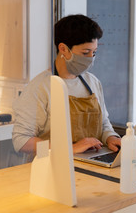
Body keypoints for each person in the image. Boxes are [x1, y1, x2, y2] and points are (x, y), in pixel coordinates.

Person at [12, 14, 121, 161]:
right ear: (63, 49)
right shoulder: (40, 87)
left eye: (94, 52)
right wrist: (69, 149)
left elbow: (103, 123)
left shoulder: (92, 82)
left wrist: (111, 137)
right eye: (85, 52)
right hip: (51, 168)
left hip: (90, 165)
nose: (90, 58)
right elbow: (21, 142)